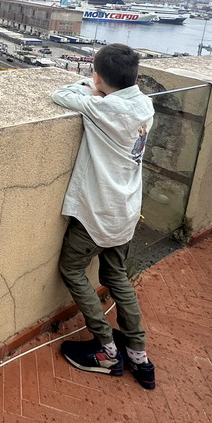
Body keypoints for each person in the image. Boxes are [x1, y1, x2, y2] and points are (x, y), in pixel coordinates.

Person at [51, 43, 157, 390]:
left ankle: (107, 349)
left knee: (71, 268)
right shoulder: (145, 105)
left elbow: (61, 93)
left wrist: (90, 88)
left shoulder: (102, 108)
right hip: (126, 210)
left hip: (97, 213)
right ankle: (138, 354)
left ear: (97, 76)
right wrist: (101, 88)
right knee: (117, 278)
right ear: (135, 76)